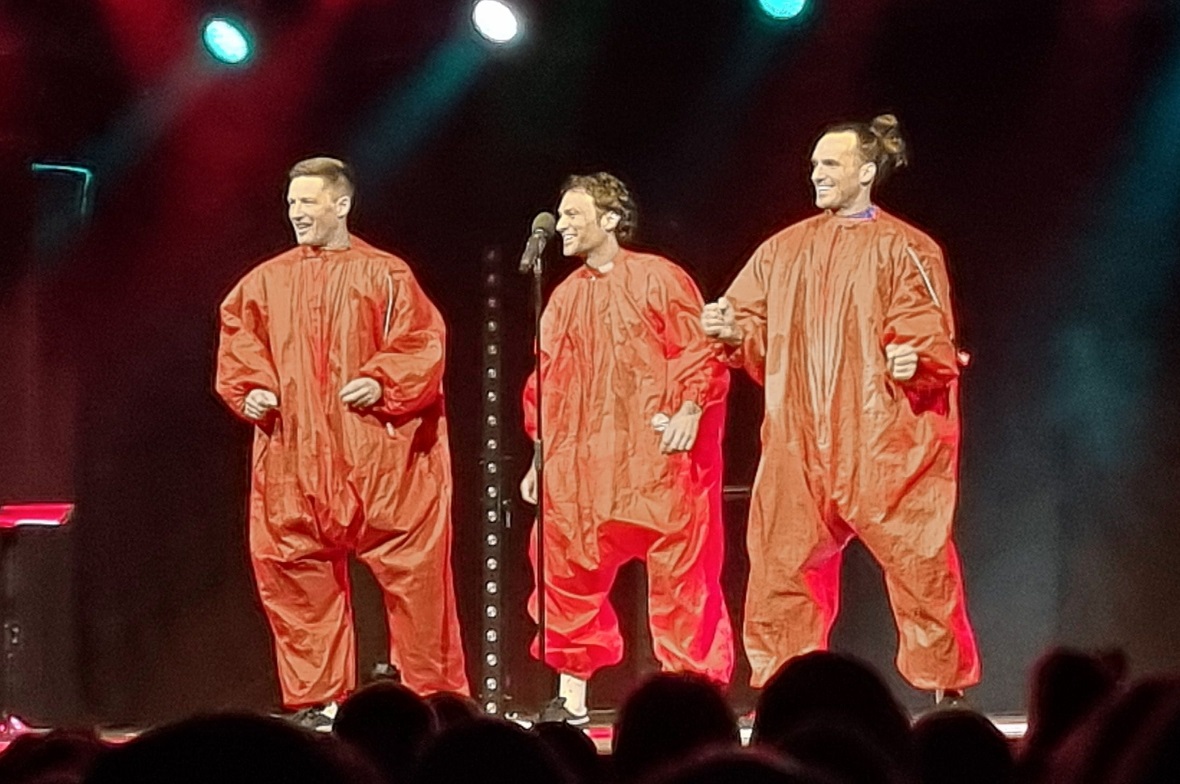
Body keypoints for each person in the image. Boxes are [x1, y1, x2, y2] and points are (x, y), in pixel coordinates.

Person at [702, 115, 980, 701]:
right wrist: (729, 329)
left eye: (830, 164)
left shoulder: (907, 248)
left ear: (867, 171)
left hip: (880, 439)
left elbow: (931, 334)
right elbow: (749, 325)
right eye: (813, 165)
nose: (816, 174)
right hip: (798, 440)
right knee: (781, 570)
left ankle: (943, 696)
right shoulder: (783, 249)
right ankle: (788, 696)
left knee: (918, 564)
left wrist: (917, 359)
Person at [215, 157, 468, 731]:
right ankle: (317, 702)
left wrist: (381, 379)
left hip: (381, 461)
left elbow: (423, 344)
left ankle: (436, 704)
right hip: (294, 461)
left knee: (418, 584)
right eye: (291, 203)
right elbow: (239, 345)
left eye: (307, 202)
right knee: (295, 575)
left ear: (341, 204)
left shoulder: (387, 275)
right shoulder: (263, 282)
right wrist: (251, 390)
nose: (296, 213)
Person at [520, 172, 733, 723]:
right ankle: (570, 700)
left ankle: (692, 698)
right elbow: (547, 381)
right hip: (581, 466)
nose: (562, 225)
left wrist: (690, 407)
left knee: (682, 575)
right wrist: (540, 454)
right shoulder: (563, 297)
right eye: (561, 216)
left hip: (654, 459)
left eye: (573, 215)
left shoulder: (660, 278)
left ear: (610, 219)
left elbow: (699, 350)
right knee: (565, 570)